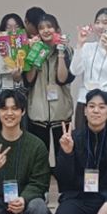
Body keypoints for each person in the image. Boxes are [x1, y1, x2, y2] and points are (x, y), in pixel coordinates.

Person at [24, 14, 75, 161]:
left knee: (63, 158)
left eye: (49, 27)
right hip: (37, 114)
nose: (46, 30)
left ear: (57, 29)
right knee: (39, 159)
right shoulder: (32, 50)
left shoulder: (67, 50)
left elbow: (62, 79)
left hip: (61, 114)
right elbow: (29, 80)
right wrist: (34, 54)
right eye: (41, 28)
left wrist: (60, 52)